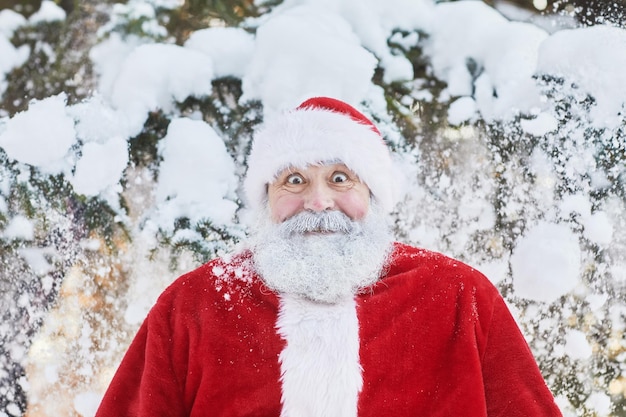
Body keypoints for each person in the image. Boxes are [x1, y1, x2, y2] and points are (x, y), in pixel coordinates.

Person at [95, 97, 563, 417]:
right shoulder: (193, 305)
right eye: (294, 180)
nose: (318, 201)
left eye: (340, 178)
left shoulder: (458, 294)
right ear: (266, 198)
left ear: (372, 193)